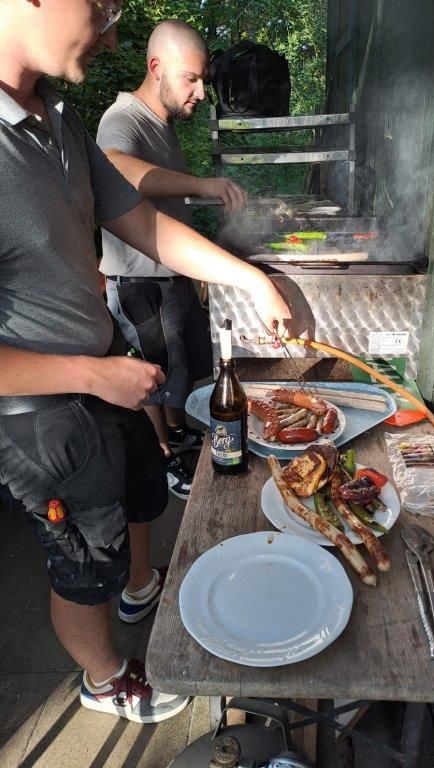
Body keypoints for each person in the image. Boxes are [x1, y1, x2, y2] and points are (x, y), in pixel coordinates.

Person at [0, 0, 291, 724]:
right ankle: (104, 680)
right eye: (101, 9)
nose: (112, 37)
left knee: (137, 496)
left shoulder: (58, 120)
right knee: (82, 561)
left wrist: (251, 279)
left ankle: (139, 586)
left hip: (100, 370)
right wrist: (92, 374)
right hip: (40, 411)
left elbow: (144, 224)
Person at [97, 20, 247, 500]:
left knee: (178, 368)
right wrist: (203, 185)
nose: (201, 92)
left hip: (168, 275)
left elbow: (164, 200)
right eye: (191, 79)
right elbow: (115, 168)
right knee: (150, 377)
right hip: (137, 281)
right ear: (156, 66)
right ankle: (161, 458)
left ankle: (178, 434)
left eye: (203, 80)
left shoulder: (162, 124)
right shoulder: (123, 118)